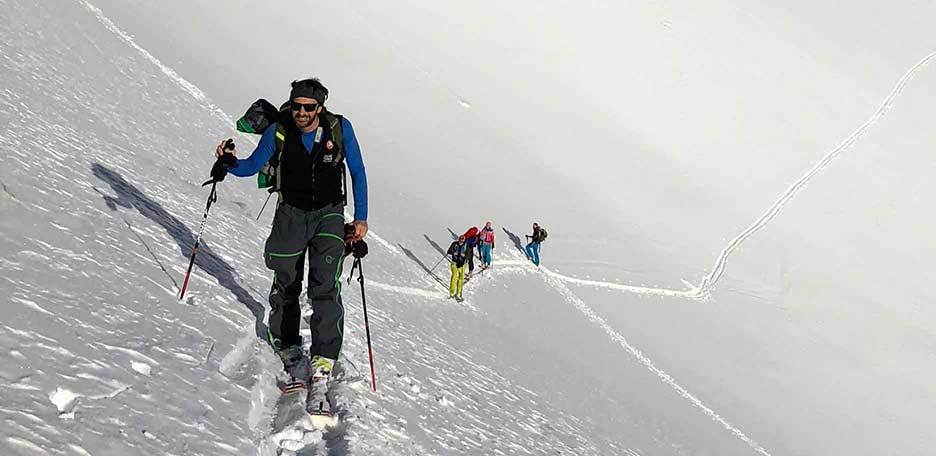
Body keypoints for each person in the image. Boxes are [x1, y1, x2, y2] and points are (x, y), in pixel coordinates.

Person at [213, 78, 368, 415]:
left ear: (320, 107)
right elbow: (252, 165)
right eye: (296, 106)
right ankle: (289, 348)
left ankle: (323, 360)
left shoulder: (340, 130)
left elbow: (357, 171)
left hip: (329, 214)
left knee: (325, 286)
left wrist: (362, 218)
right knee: (286, 280)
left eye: (308, 107)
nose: (301, 112)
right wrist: (229, 162)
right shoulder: (279, 131)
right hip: (291, 214)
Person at [447, 235, 469, 301]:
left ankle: (458, 293)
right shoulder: (454, 244)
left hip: (462, 264)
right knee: (454, 276)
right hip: (454, 263)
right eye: (460, 239)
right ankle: (452, 292)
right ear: (459, 239)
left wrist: (465, 256)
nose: (461, 240)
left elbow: (469, 255)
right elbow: (449, 251)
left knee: (461, 278)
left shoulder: (466, 246)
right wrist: (454, 253)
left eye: (463, 239)